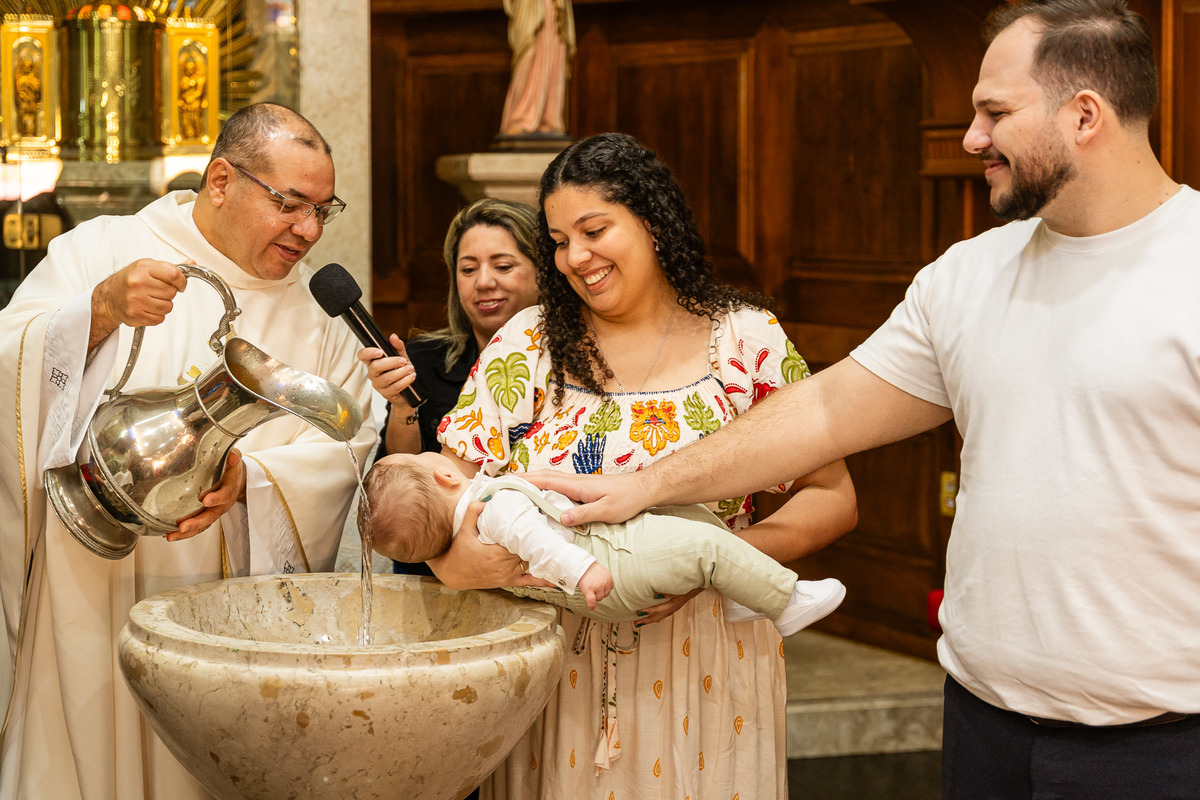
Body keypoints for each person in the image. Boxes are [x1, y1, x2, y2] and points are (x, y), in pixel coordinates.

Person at [528, 2, 1200, 797]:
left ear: (1085, 115)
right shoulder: (968, 275)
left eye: (995, 113)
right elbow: (823, 413)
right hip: (983, 722)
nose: (971, 137)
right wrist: (643, 486)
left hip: (1160, 746)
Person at [429, 132, 857, 798]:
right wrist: (470, 565)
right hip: (555, 664)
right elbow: (443, 501)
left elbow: (832, 497)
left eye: (594, 230)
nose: (575, 257)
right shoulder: (528, 343)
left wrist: (711, 563)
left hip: (706, 655)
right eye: (559, 241)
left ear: (653, 222)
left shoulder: (744, 340)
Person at [0, 102, 377, 799]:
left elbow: (347, 442)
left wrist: (249, 481)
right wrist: (97, 312)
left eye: (324, 210)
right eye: (291, 204)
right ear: (222, 180)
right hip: (88, 581)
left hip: (219, 596)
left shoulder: (319, 319)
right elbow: (9, 362)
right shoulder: (103, 250)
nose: (309, 229)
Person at [363, 451, 847, 632]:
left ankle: (742, 593)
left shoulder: (468, 525)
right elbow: (538, 541)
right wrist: (584, 570)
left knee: (690, 516)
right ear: (447, 475)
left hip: (604, 556)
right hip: (608, 564)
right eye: (422, 456)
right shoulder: (493, 507)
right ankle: (785, 602)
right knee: (707, 546)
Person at [357, 197, 541, 576]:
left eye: (503, 266)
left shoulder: (574, 362)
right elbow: (400, 488)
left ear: (543, 271)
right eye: (468, 269)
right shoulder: (425, 359)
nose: (483, 282)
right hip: (430, 566)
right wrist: (403, 407)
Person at [499, 0, 575, 137]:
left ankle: (549, 118)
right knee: (528, 55)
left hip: (553, 8)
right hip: (530, 8)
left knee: (555, 51)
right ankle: (521, 118)